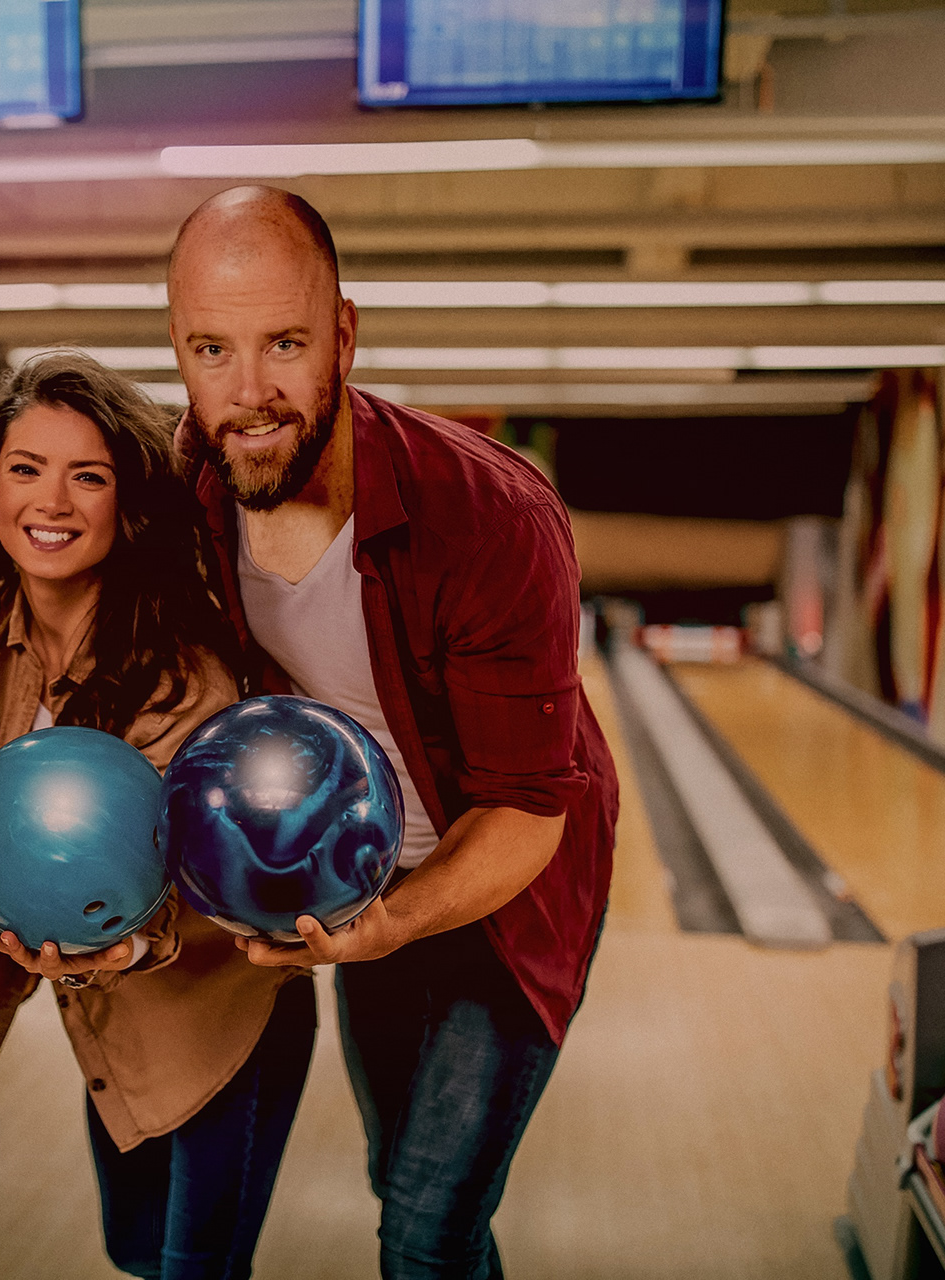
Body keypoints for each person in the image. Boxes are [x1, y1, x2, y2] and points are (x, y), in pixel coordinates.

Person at [166, 186, 620, 1279]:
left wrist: (395, 921)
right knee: (404, 1184)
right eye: (210, 348)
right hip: (358, 871)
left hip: (509, 886)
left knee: (422, 1228)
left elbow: (525, 806)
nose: (249, 390)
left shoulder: (488, 516)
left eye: (286, 342)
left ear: (347, 337)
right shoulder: (181, 483)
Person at [0, 351, 317, 1280]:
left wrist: (133, 942)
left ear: (128, 503)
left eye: (89, 476)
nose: (51, 501)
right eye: (25, 469)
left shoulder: (183, 671)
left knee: (193, 1268)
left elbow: (190, 877)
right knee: (133, 1250)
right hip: (109, 1019)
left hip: (222, 1022)